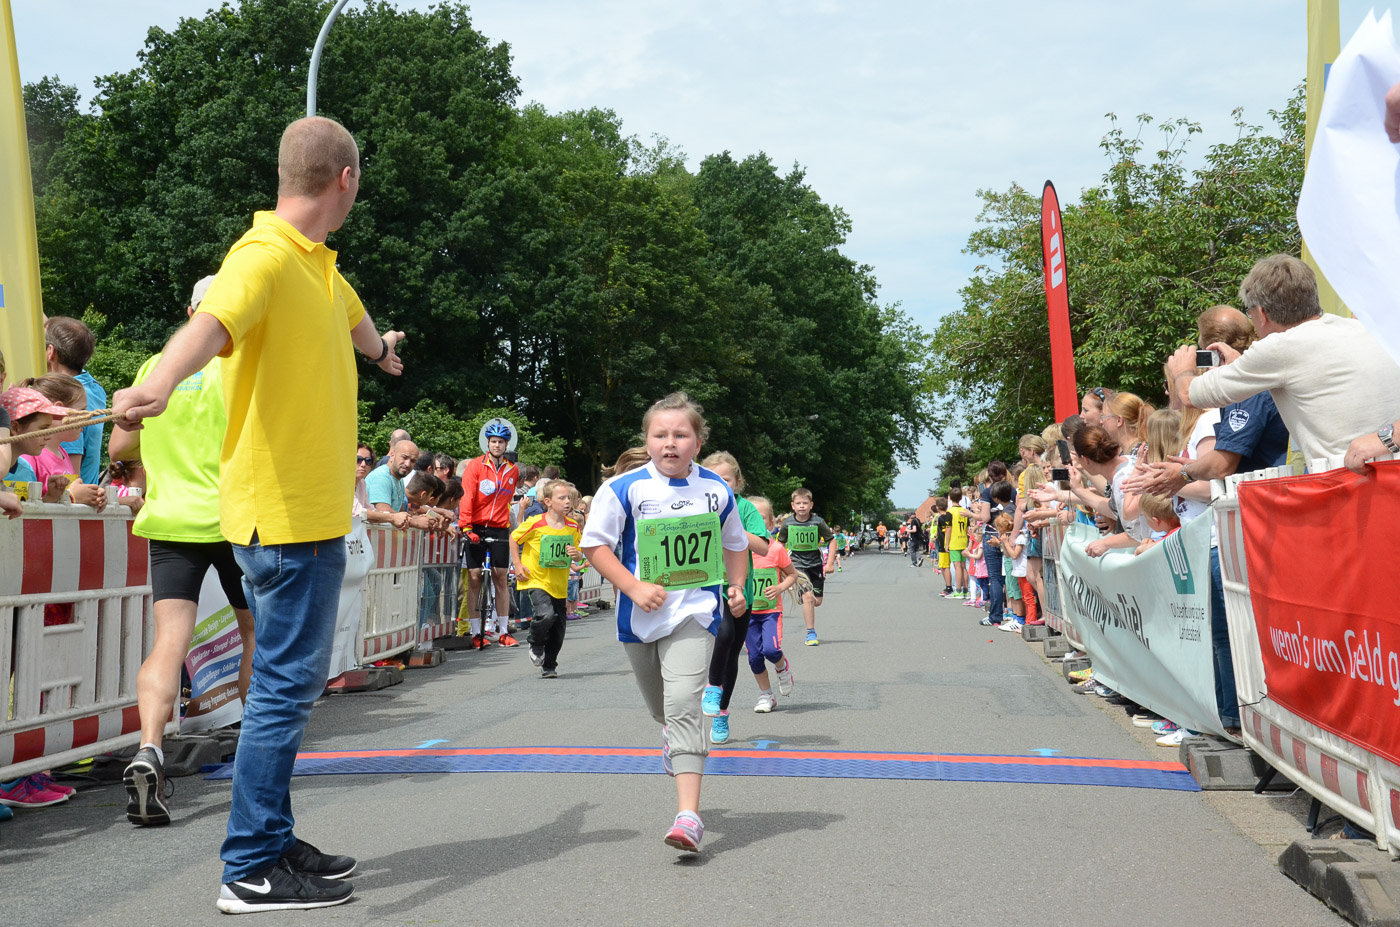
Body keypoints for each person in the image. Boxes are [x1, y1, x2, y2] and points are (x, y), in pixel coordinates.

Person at [111, 116, 406, 914]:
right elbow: (211, 325)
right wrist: (161, 382)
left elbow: (361, 328)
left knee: (286, 687)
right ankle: (249, 865)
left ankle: (271, 839)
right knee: (281, 691)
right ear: (345, 179)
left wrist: (383, 352)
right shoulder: (265, 255)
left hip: (299, 515)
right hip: (285, 518)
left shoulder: (319, 265)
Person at [110, 275, 258, 828]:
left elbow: (122, 444)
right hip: (236, 519)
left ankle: (149, 747)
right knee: (254, 633)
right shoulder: (240, 364)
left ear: (190, 310)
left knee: (169, 641)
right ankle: (256, 751)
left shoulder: (156, 367)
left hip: (171, 519)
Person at [580, 392, 749, 854]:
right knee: (663, 710)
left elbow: (735, 544)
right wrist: (633, 587)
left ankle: (688, 816)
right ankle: (672, 736)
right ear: (647, 441)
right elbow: (594, 545)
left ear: (698, 442)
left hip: (696, 611)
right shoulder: (624, 488)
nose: (670, 443)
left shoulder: (716, 490)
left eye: (680, 434)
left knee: (683, 706)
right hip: (640, 617)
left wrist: (736, 586)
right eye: (660, 435)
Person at [1169, 255, 1400, 462]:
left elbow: (1190, 395)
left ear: (1262, 313)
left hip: (1352, 482)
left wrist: (1182, 371)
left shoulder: (1278, 348)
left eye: (1250, 313)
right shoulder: (1365, 330)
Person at [697, 452, 770, 737]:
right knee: (724, 634)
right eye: (713, 479)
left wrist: (731, 525)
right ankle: (712, 686)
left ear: (737, 483)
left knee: (732, 654)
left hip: (739, 588)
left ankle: (721, 713)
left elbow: (763, 546)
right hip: (705, 586)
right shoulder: (695, 504)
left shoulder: (745, 508)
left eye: (725, 480)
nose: (719, 485)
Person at [511, 480, 582, 678]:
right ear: (548, 501)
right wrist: (517, 564)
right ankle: (535, 642)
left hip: (559, 583)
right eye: (562, 498)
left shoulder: (573, 526)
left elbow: (578, 554)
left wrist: (576, 554)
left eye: (569, 498)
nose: (567, 502)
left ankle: (549, 665)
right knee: (546, 615)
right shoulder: (535, 522)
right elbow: (514, 538)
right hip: (536, 579)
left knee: (558, 630)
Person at [458, 421, 521, 647]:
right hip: (475, 526)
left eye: (501, 442)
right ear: (488, 443)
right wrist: (466, 526)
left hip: (499, 527)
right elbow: (467, 497)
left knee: (501, 577)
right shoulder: (475, 466)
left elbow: (507, 500)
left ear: (506, 445)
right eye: (493, 441)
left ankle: (503, 631)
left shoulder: (512, 470)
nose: (497, 445)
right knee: (475, 577)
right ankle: (476, 633)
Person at [739, 495, 796, 726]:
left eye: (760, 517)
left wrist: (780, 587)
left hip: (770, 612)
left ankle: (782, 667)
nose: (752, 521)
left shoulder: (776, 549)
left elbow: (792, 575)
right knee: (754, 657)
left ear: (771, 524)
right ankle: (766, 695)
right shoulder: (735, 549)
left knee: (772, 651)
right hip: (747, 613)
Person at [44, 315, 106, 484]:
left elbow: (70, 472)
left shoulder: (68, 397)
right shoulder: (94, 388)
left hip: (71, 494)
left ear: (50, 352)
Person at [776, 488, 837, 646]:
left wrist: (830, 563)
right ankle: (811, 633)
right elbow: (780, 544)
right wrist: (779, 565)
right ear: (793, 506)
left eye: (805, 503)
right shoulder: (788, 523)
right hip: (796, 566)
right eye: (798, 503)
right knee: (808, 598)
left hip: (815, 565)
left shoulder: (818, 522)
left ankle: (804, 598)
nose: (802, 506)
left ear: (811, 505)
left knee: (817, 601)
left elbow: (832, 541)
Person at [368, 438, 415, 513]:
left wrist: (418, 518)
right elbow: (385, 513)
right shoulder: (381, 477)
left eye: (413, 461)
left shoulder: (399, 479)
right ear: (392, 455)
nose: (408, 464)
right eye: (404, 457)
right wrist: (414, 520)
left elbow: (401, 513)